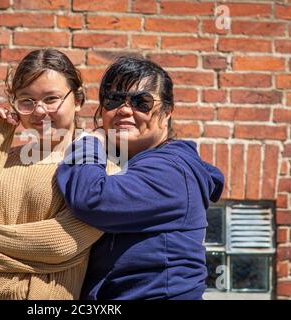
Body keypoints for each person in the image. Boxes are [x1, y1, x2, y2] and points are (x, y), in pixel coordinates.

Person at [0, 49, 119, 300]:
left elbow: (59, 244)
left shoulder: (101, 168)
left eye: (51, 99)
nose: (39, 111)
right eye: (26, 100)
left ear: (78, 99)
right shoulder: (0, 160)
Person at [56, 55, 225, 300]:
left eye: (141, 101)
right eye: (114, 100)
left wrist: (88, 142)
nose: (124, 109)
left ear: (167, 111)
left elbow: (93, 198)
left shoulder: (173, 170)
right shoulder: (118, 163)